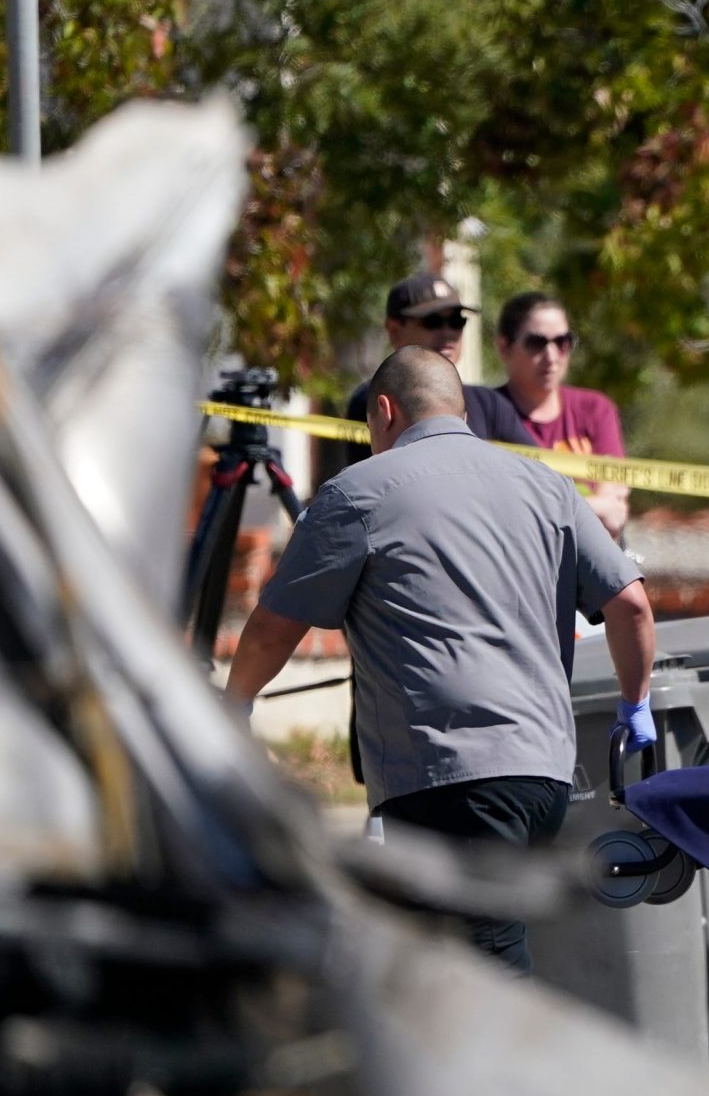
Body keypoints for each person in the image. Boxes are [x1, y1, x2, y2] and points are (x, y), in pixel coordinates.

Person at [228, 347, 657, 973]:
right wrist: (634, 702)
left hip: (450, 777)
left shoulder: (358, 494)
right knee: (441, 961)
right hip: (543, 776)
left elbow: (271, 629)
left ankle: (514, 1074)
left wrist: (234, 705)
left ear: (383, 411)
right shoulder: (547, 486)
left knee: (480, 976)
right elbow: (633, 606)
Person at [322, 273, 530, 485]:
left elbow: (538, 470)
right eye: (432, 321)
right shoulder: (371, 401)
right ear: (394, 331)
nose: (448, 332)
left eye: (456, 321)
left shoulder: (490, 404)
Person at [495, 290, 632, 539]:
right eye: (536, 343)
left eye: (562, 342)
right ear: (504, 347)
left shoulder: (595, 409)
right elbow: (498, 512)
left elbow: (613, 514)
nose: (551, 356)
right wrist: (592, 508)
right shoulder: (486, 412)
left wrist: (538, 512)